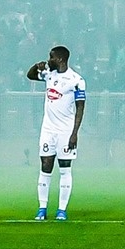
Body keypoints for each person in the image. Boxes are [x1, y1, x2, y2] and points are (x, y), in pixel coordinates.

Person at [27, 44, 86, 220]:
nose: (49, 60)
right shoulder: (49, 75)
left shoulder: (76, 80)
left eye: (51, 57)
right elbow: (30, 76)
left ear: (60, 59)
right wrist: (35, 67)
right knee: (45, 167)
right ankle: (42, 208)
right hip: (48, 130)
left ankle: (61, 210)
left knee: (65, 168)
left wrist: (74, 133)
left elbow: (80, 107)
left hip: (65, 131)